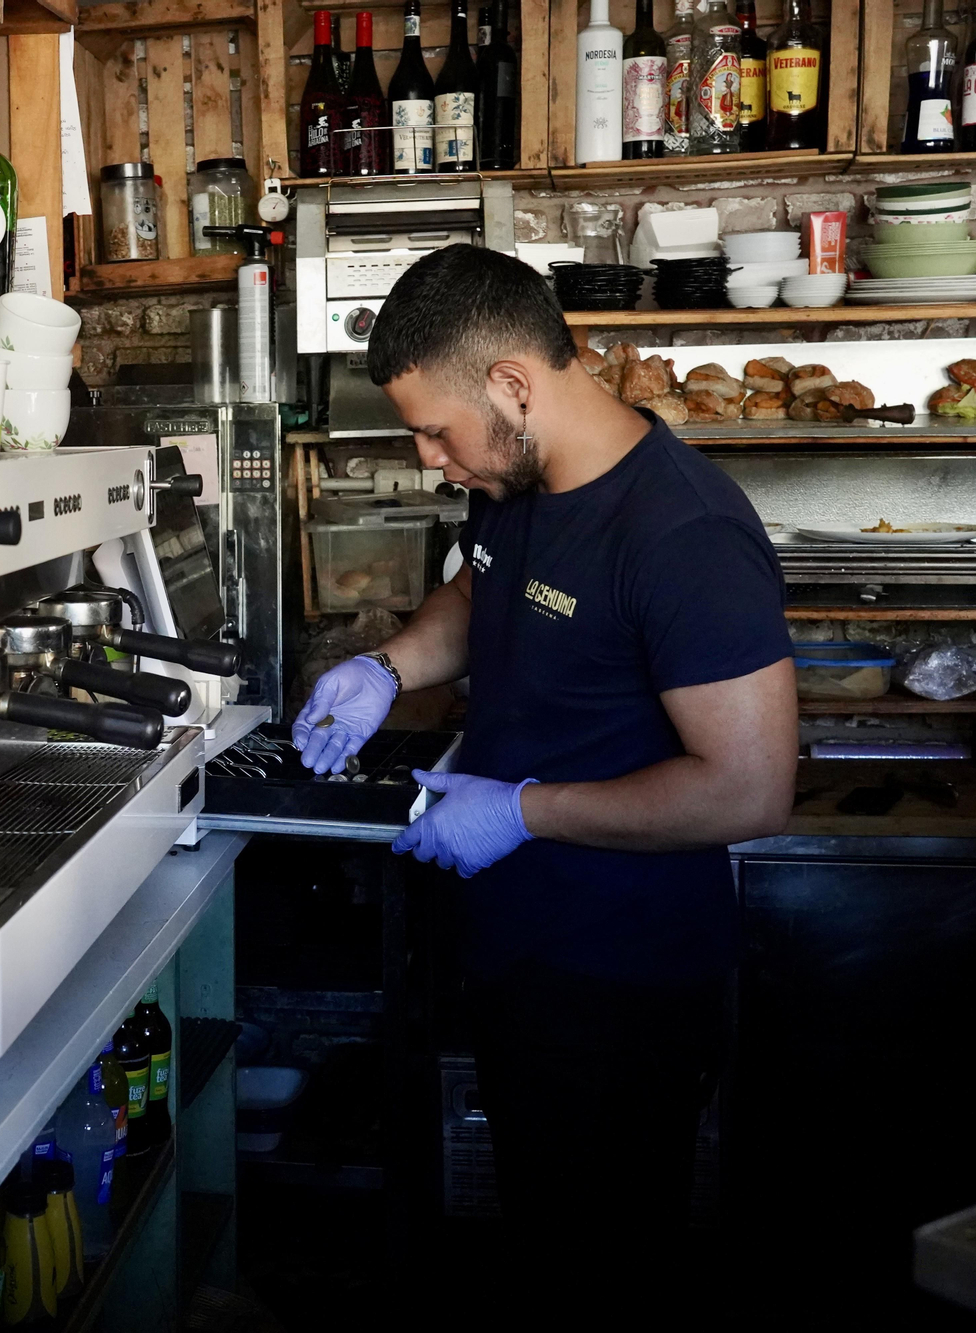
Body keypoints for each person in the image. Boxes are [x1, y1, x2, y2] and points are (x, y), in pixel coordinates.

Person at [294, 247, 797, 1309]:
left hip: (622, 984)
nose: (430, 459)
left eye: (435, 429)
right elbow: (477, 606)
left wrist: (525, 811)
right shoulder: (515, 485)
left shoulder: (682, 531)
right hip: (518, 951)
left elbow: (748, 788)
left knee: (601, 1268)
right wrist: (384, 667)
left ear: (512, 386)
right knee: (538, 1245)